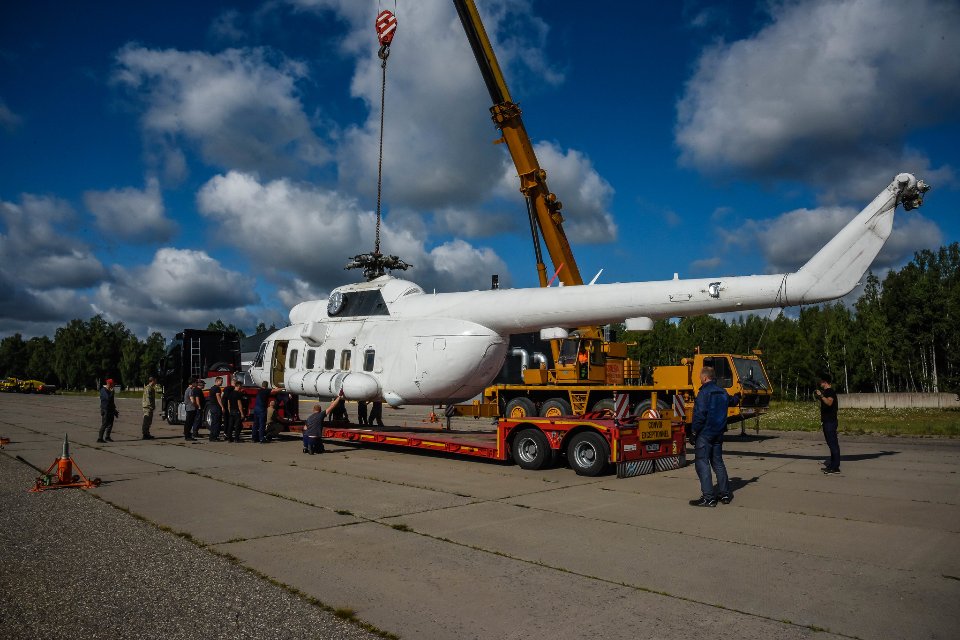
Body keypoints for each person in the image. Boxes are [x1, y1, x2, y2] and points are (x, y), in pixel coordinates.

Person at [689, 366, 740, 507]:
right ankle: (725, 494)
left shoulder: (704, 393)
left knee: (702, 463)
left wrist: (693, 432)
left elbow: (700, 415)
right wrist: (738, 396)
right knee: (718, 463)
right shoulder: (722, 392)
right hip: (719, 434)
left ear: (705, 378)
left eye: (700, 377)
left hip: (705, 434)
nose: (700, 379)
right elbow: (733, 401)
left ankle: (708, 498)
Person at [816, 374, 841, 474]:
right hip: (828, 421)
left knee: (833, 444)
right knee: (832, 444)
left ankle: (834, 467)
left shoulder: (830, 391)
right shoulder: (827, 391)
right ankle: (833, 465)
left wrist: (821, 395)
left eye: (821, 381)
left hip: (830, 422)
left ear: (825, 382)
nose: (820, 383)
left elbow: (829, 402)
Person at [98, 378, 119, 443]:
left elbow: (112, 402)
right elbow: (108, 398)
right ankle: (100, 438)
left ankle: (107, 437)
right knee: (104, 424)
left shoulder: (110, 390)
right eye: (113, 384)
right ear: (109, 384)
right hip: (105, 410)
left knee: (110, 424)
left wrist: (115, 410)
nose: (114, 386)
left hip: (110, 410)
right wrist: (112, 392)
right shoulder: (103, 390)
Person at [207, 376, 225, 441]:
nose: (222, 382)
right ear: (217, 381)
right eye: (221, 381)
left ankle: (211, 436)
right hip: (216, 407)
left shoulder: (212, 388)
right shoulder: (217, 388)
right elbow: (218, 398)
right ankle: (215, 437)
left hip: (212, 407)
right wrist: (222, 406)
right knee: (217, 422)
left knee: (213, 422)